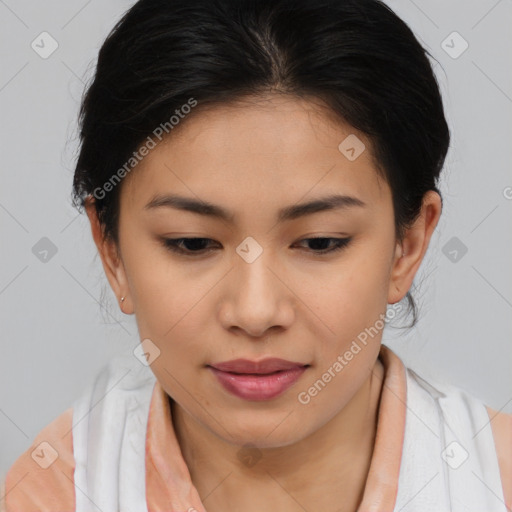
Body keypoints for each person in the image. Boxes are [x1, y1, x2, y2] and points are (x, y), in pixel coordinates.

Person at [1, 0, 511, 510]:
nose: (255, 311)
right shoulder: (54, 492)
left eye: (319, 243)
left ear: (408, 246)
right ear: (111, 251)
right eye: (192, 243)